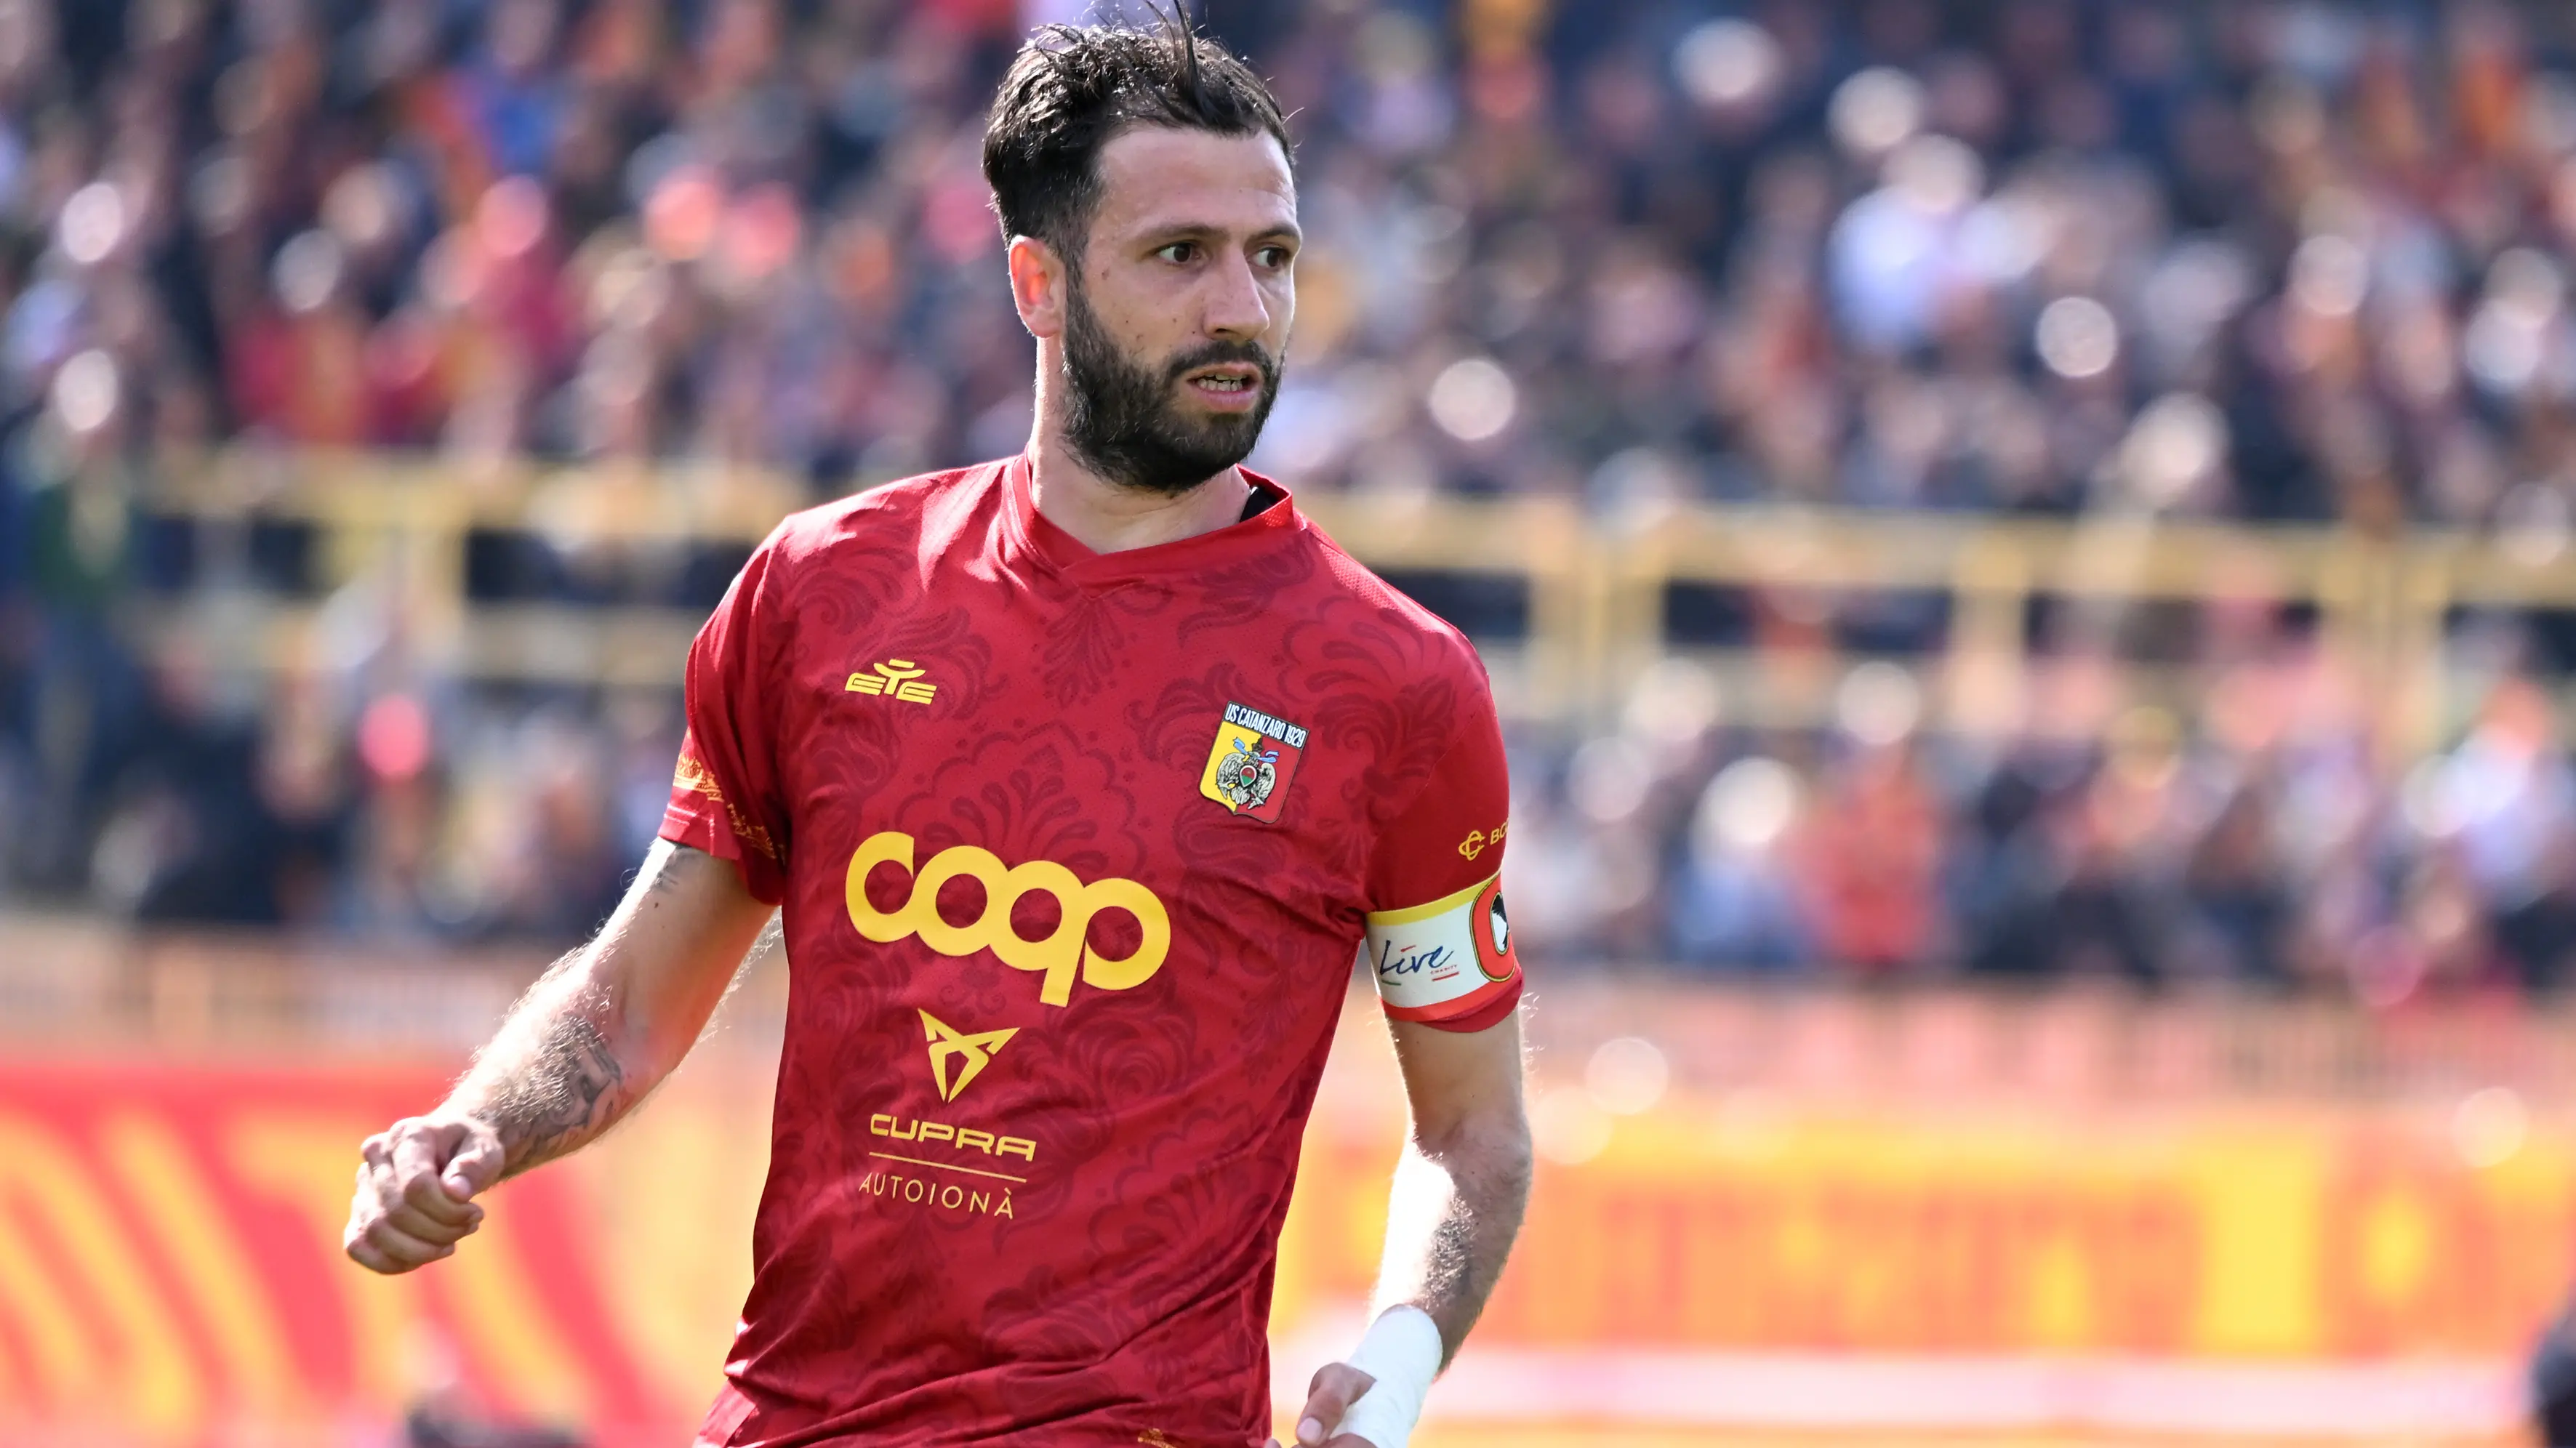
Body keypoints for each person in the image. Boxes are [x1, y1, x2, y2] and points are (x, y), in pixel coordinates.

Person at [342, 20, 1533, 1448]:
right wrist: (479, 1125)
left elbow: (1472, 1131)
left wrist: (1400, 1355)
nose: (1243, 308)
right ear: (1039, 282)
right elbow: (627, 1002)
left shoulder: (1390, 688)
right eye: (1180, 256)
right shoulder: (821, 593)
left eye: (1269, 257)